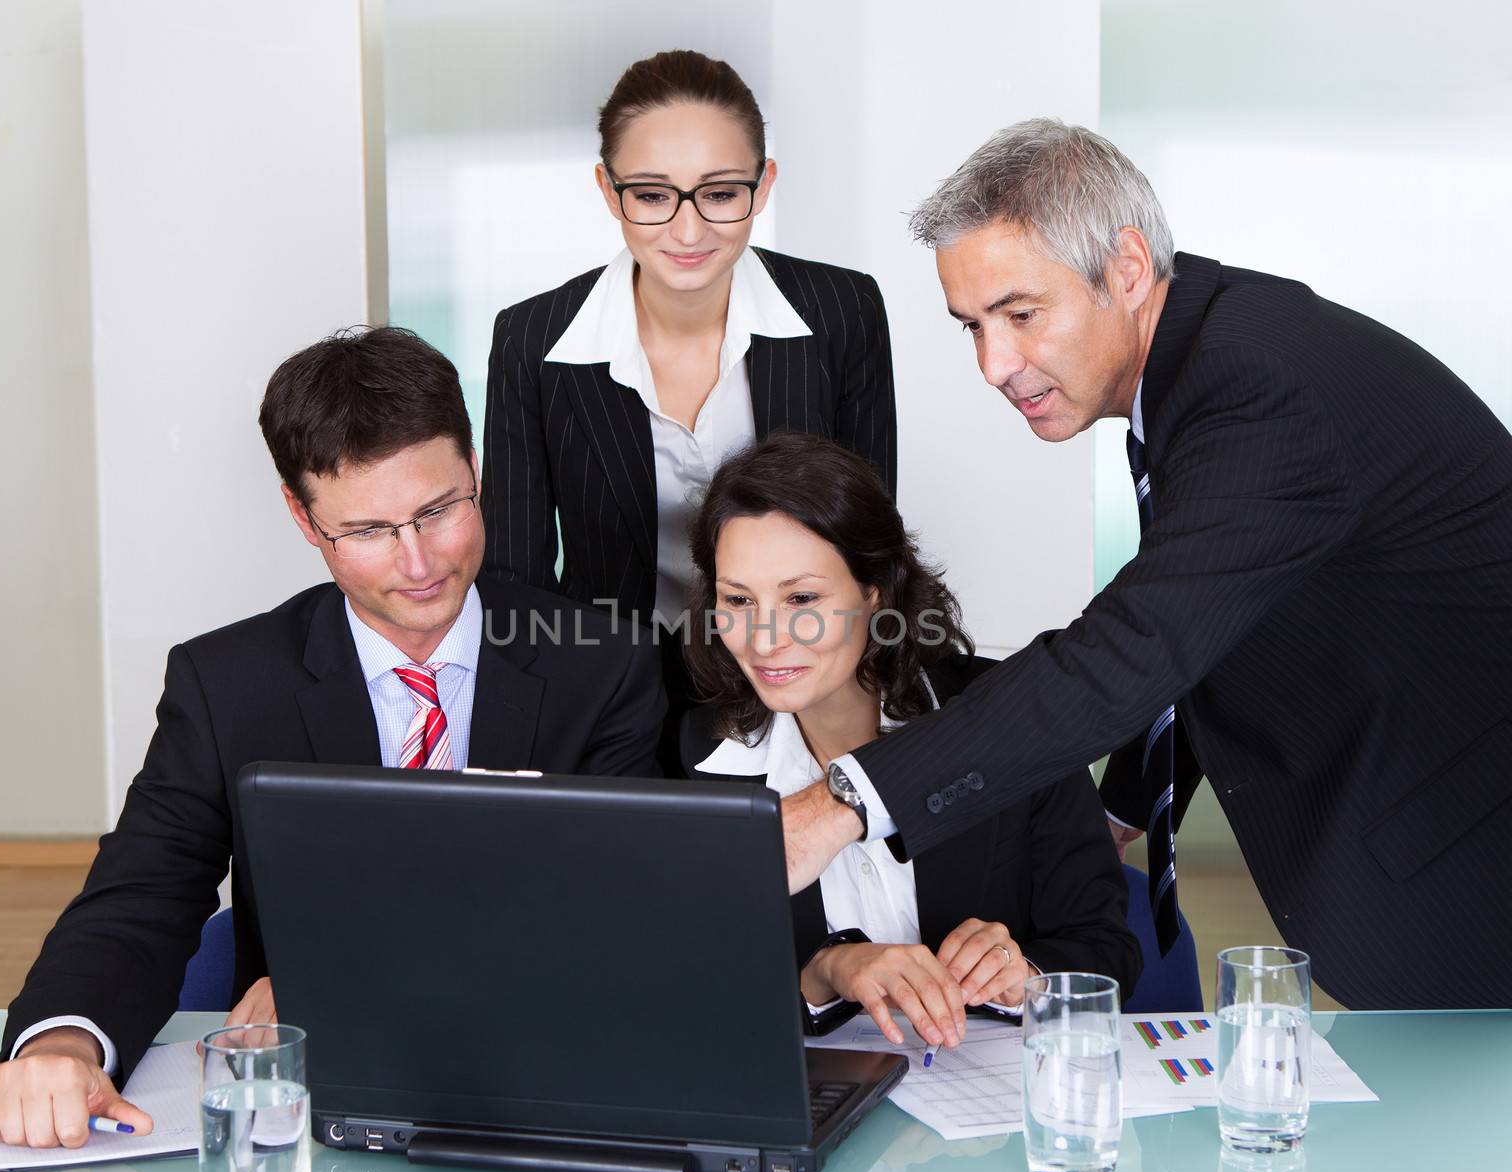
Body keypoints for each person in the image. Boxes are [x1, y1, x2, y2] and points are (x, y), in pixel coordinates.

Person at [778, 119, 1512, 1011]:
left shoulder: (1260, 394)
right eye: (972, 326)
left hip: (1470, 858)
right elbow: (1212, 605)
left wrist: (839, 805)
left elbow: (1133, 645)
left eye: (1020, 314)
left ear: (1126, 270)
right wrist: (1125, 806)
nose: (994, 364)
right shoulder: (1205, 365)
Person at [0, 327, 665, 1149]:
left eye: (438, 511)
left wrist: (347, 983)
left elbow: (614, 915)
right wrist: (62, 1042)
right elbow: (142, 891)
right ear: (303, 518)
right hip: (307, 1119)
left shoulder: (605, 663)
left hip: (543, 1090)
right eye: (368, 531)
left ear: (475, 471)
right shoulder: (226, 684)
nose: (418, 563)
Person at [481, 49, 896, 764]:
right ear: (609, 193)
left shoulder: (842, 311)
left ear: (762, 185)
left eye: (720, 193)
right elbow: (514, 583)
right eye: (651, 195)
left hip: (796, 673)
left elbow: (868, 537)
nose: (688, 230)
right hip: (604, 679)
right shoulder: (532, 340)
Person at [682, 434, 1139, 1048]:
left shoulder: (1005, 714)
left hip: (995, 1113)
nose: (764, 639)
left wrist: (1025, 973)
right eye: (738, 600)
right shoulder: (694, 756)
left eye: (802, 599)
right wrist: (821, 975)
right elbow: (686, 995)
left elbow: (1107, 948)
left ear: (876, 593)